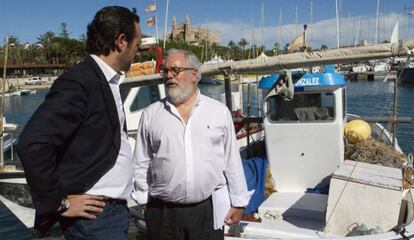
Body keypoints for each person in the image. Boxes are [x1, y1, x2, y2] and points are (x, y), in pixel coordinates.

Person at [17, 6, 141, 239]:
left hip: (109, 215)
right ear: (121, 41)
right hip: (95, 219)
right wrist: (59, 202)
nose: (139, 52)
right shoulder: (81, 81)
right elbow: (32, 143)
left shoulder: (106, 80)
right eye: (138, 45)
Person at [133, 49, 251, 240]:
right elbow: (141, 161)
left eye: (175, 70)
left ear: (194, 74)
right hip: (162, 213)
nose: (169, 75)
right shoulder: (151, 114)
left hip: (207, 210)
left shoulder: (218, 112)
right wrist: (143, 199)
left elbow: (231, 160)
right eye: (166, 71)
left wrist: (238, 202)